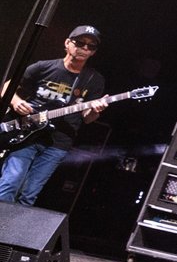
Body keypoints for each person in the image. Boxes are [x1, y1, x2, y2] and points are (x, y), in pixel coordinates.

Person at [0, 26, 107, 206]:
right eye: (80, 43)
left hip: (59, 143)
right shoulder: (44, 67)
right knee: (10, 183)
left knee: (29, 195)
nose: (85, 49)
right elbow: (6, 88)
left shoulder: (94, 80)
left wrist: (96, 110)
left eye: (91, 47)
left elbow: (87, 118)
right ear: (67, 43)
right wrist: (16, 101)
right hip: (27, 135)